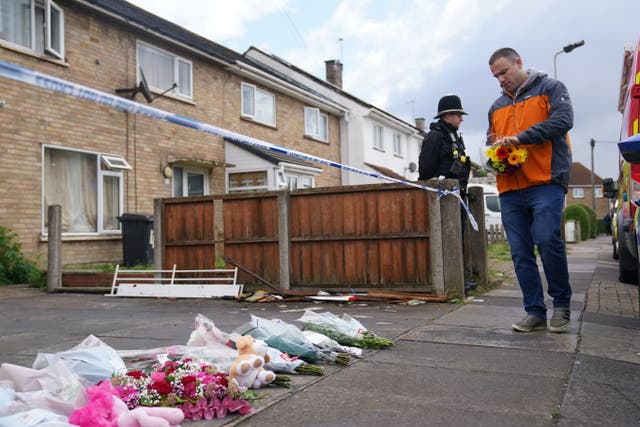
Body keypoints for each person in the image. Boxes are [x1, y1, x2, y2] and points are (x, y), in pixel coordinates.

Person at [487, 47, 573, 333]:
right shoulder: (495, 106)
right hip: (510, 188)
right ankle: (534, 311)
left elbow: (563, 121)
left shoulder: (552, 87)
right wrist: (495, 158)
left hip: (546, 181)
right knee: (520, 251)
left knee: (547, 239)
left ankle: (561, 306)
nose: (500, 79)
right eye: (496, 76)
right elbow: (494, 140)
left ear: (518, 63)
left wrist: (520, 138)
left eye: (503, 72)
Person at [418, 94, 475, 292]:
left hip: (457, 196)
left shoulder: (454, 137)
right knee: (445, 240)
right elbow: (425, 171)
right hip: (441, 200)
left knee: (457, 238)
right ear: (448, 116)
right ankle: (449, 282)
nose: (461, 118)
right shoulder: (435, 137)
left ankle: (458, 278)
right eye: (459, 114)